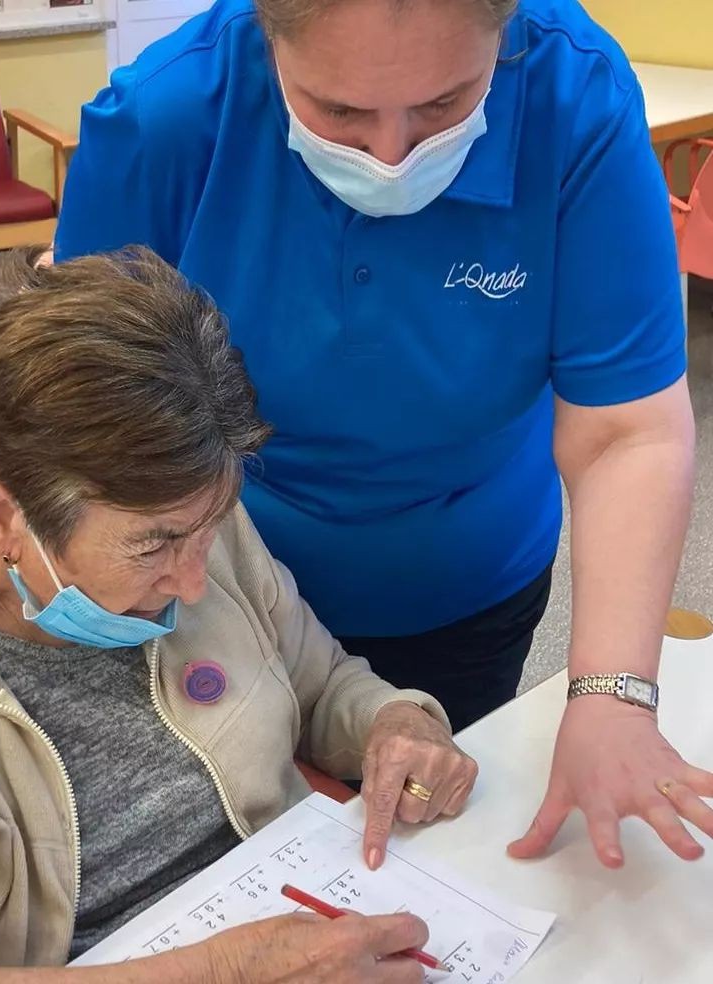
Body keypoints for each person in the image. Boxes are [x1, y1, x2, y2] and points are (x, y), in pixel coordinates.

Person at [53, 0, 711, 867]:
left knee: (435, 856)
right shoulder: (163, 118)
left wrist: (611, 696)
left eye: (444, 105)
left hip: (467, 584)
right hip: (224, 590)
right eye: (339, 111)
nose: (392, 157)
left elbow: (627, 433)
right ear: (268, 35)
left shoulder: (574, 96)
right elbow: (82, 424)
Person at [0, 248, 478, 984]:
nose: (194, 584)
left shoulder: (182, 502)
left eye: (211, 526)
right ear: (1, 518)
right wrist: (222, 973)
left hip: (292, 903)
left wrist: (393, 722)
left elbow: (318, 679)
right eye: (154, 546)